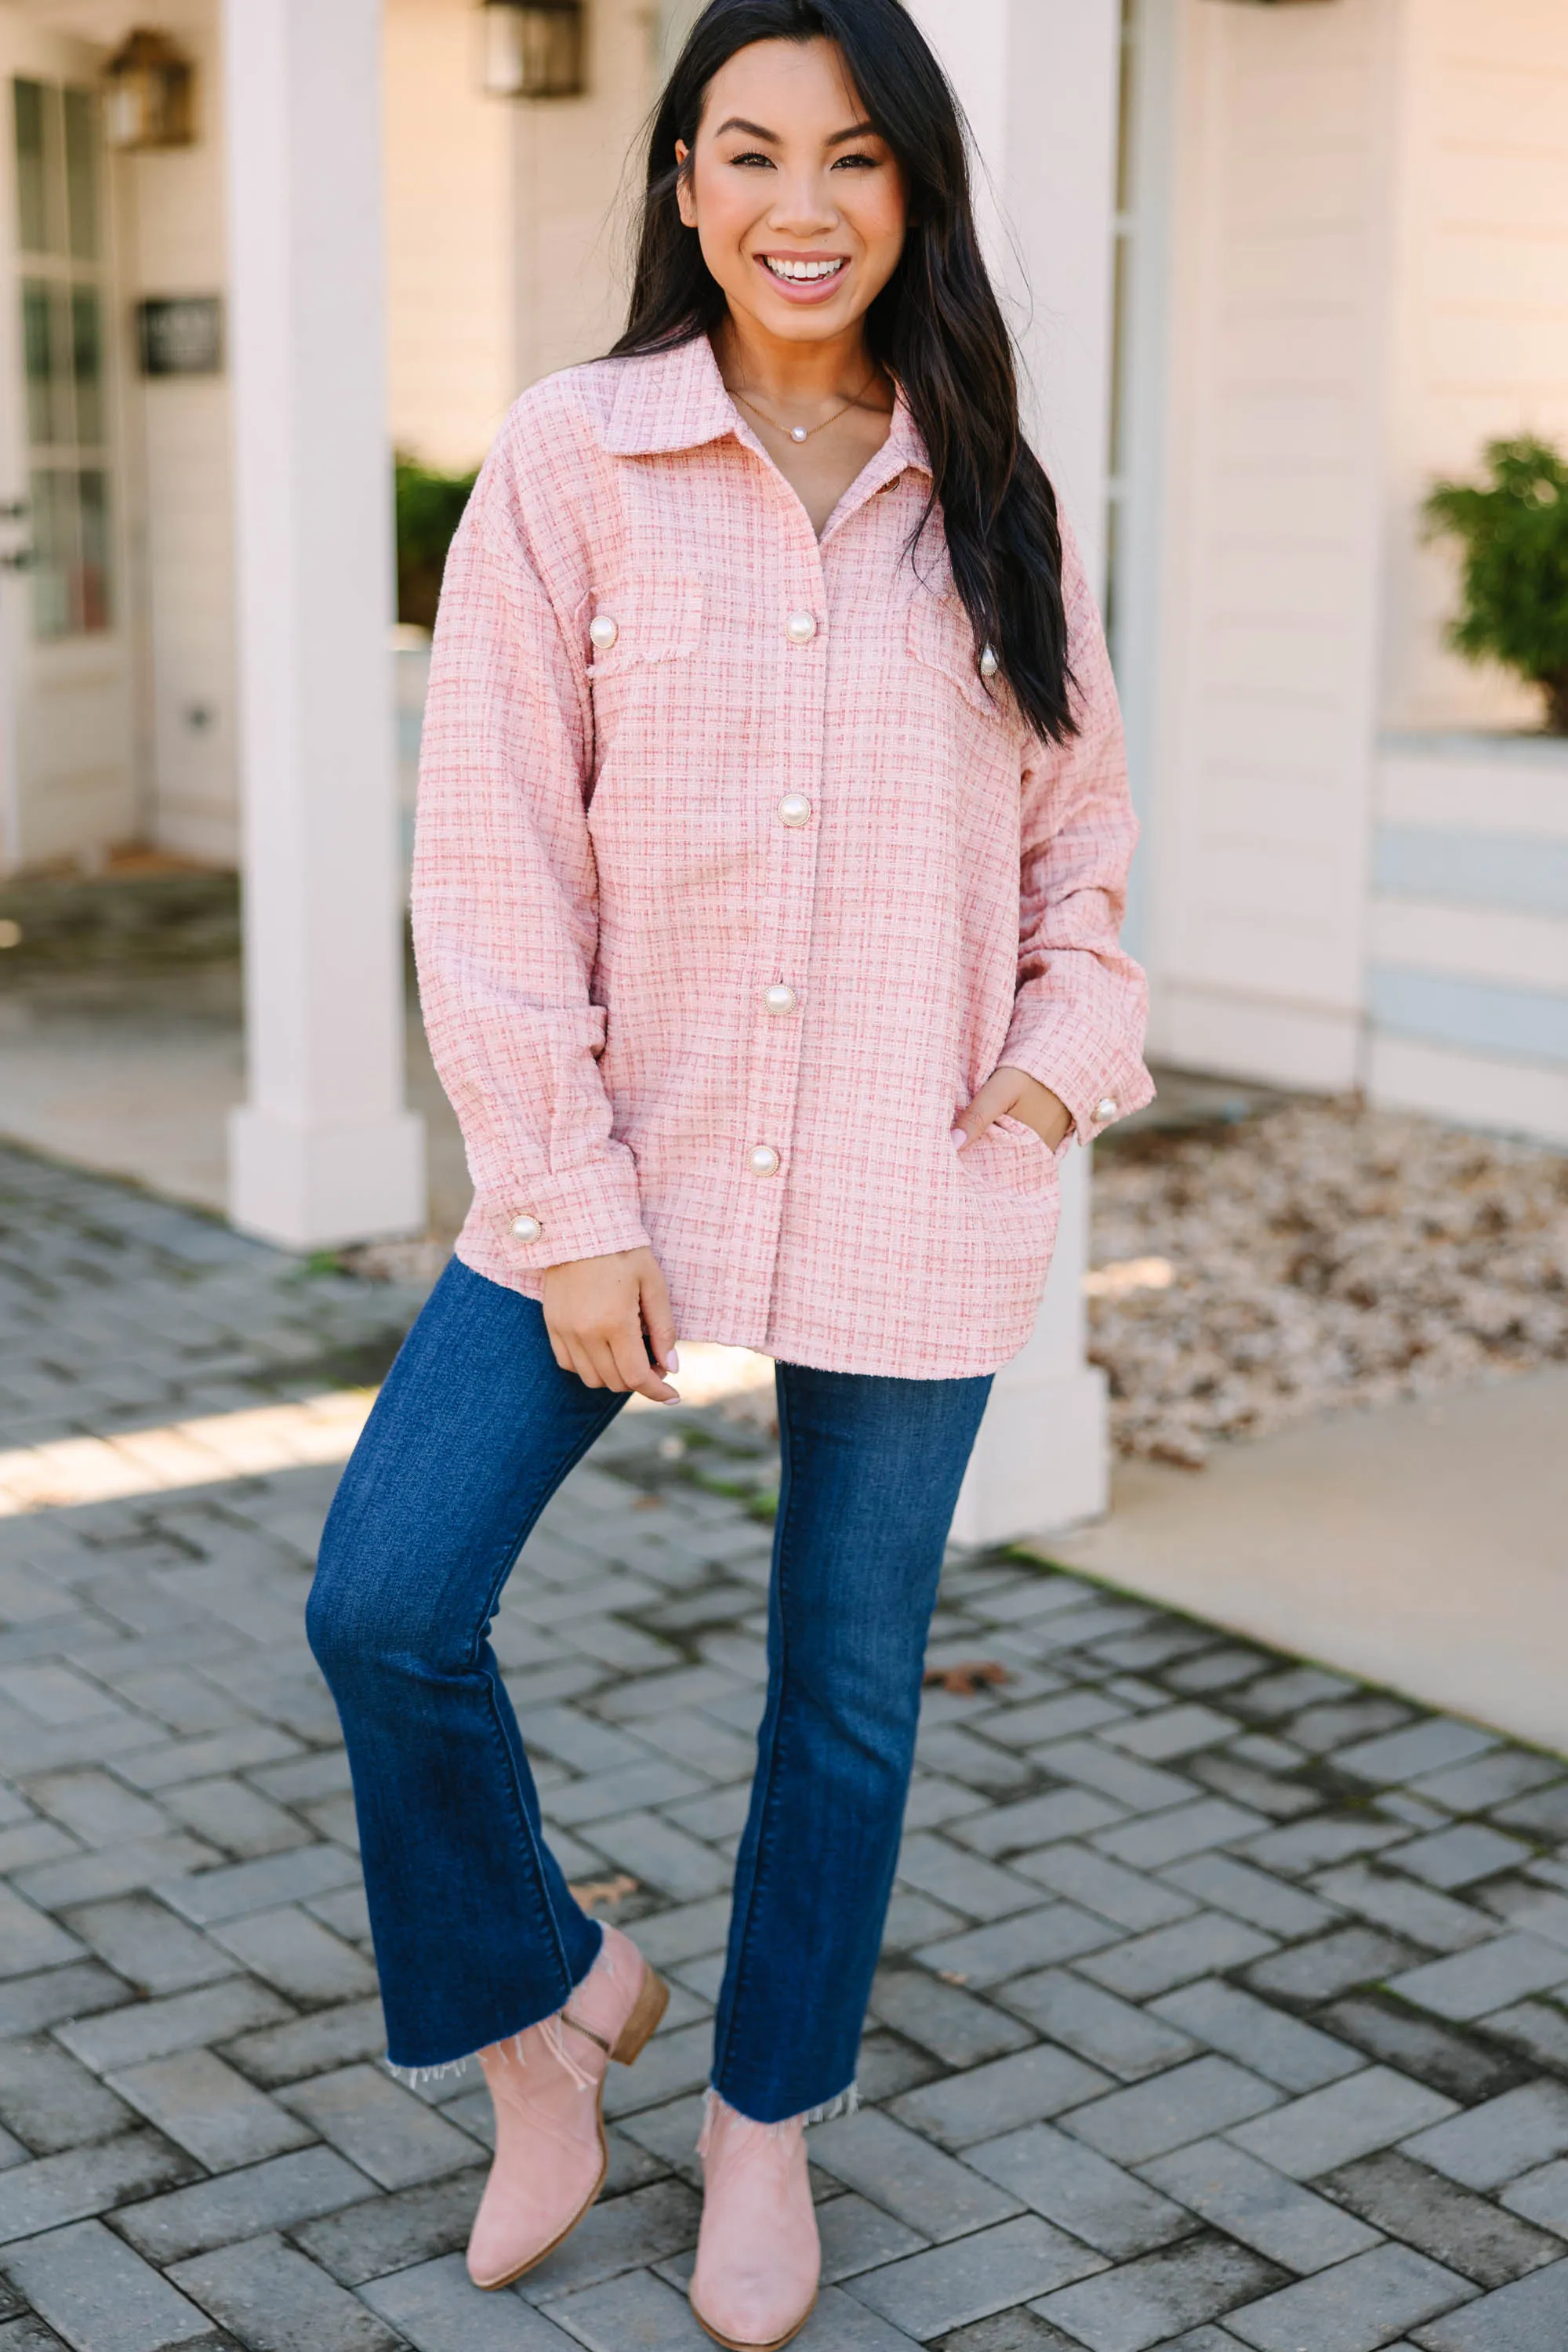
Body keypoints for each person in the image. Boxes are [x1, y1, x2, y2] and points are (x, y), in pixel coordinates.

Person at [307, 1, 1152, 2343]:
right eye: (754, 152)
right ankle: (551, 2006)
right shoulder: (574, 460)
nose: (806, 206)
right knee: (384, 1595)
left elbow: (1083, 863)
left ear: (917, 196)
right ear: (681, 180)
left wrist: (1046, 1083)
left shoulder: (992, 494)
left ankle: (763, 2131)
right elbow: (488, 867)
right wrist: (566, 1207)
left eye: (858, 160)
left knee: (847, 1690)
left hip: (912, 1175)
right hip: (621, 1165)